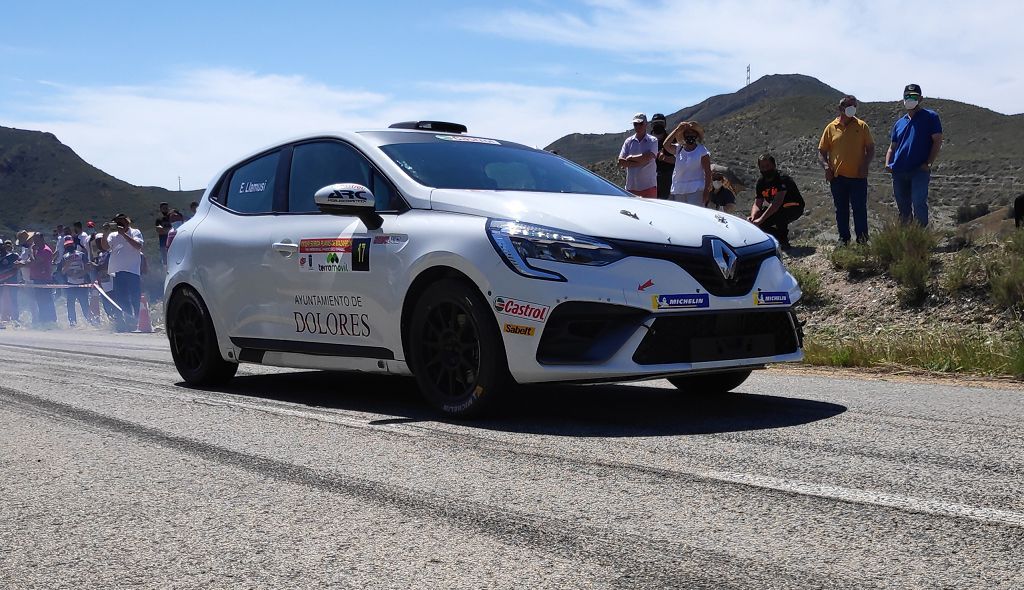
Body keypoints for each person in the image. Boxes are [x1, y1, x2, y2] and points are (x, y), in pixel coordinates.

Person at [818, 95, 875, 245]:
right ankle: (844, 239)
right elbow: (821, 151)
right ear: (840, 108)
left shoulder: (862, 126)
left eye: (854, 106)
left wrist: (865, 165)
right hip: (838, 178)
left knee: (859, 210)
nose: (853, 109)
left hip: (858, 177)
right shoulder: (831, 128)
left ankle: (862, 240)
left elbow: (870, 149)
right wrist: (826, 167)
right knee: (841, 211)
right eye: (849, 106)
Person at [885, 83, 943, 227]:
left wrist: (928, 163)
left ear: (920, 98)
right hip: (899, 171)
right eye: (907, 96)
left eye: (913, 96)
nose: (909, 99)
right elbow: (892, 147)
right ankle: (906, 239)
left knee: (918, 203)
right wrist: (888, 163)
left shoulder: (930, 117)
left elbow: (937, 141)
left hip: (919, 170)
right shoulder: (899, 123)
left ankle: (920, 239)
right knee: (903, 207)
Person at [749, 154, 805, 250]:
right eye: (762, 167)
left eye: (768, 166)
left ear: (774, 165)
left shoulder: (782, 179)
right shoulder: (761, 182)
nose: (765, 169)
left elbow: (777, 203)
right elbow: (757, 203)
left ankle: (784, 241)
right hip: (777, 207)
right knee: (758, 224)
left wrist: (761, 219)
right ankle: (777, 239)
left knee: (779, 211)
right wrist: (754, 217)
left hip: (794, 207)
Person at [101, 214, 144, 331]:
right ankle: (127, 322)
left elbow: (138, 246)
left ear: (127, 223)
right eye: (117, 223)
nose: (120, 225)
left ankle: (137, 320)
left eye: (121, 222)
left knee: (134, 297)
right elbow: (105, 247)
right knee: (122, 298)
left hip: (133, 270)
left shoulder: (135, 232)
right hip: (118, 271)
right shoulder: (112, 235)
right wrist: (105, 233)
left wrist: (124, 234)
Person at [663, 121, 711, 206]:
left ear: (696, 135)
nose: (690, 135)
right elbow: (666, 145)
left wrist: (707, 191)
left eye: (692, 133)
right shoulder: (678, 149)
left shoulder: (701, 150)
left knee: (695, 215)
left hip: (696, 189)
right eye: (687, 133)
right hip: (679, 189)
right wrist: (677, 129)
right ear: (684, 136)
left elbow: (708, 172)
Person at [617, 113, 659, 198]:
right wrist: (639, 163)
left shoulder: (653, 140)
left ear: (646, 124)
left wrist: (630, 158)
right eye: (635, 124)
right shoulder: (628, 141)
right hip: (631, 187)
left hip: (648, 187)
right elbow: (621, 161)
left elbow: (648, 157)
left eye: (640, 123)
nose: (638, 126)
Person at [25, 232, 58, 327]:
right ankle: (43, 320)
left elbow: (34, 262)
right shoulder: (39, 250)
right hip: (37, 279)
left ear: (42, 239)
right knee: (40, 300)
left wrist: (31, 251)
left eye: (37, 240)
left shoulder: (45, 250)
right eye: (34, 240)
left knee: (46, 300)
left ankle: (51, 321)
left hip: (44, 279)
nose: (35, 242)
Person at [60, 238, 92, 327]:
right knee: (70, 304)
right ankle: (72, 322)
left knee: (84, 303)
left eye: (71, 245)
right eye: (67, 246)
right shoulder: (65, 257)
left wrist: (79, 274)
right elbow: (63, 271)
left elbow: (88, 268)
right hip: (70, 284)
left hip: (82, 283)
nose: (69, 247)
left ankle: (89, 322)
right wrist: (68, 264)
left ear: (74, 245)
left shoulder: (81, 255)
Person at [650, 113, 675, 199]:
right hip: (648, 178)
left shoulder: (672, 139)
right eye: (655, 123)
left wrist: (664, 158)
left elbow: (680, 160)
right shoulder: (646, 140)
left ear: (664, 124)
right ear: (652, 125)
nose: (658, 125)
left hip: (667, 178)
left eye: (660, 123)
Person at [0, 240, 19, 325]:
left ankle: (15, 319)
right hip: (1, 282)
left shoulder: (13, 256)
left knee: (14, 299)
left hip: (12, 281)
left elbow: (16, 268)